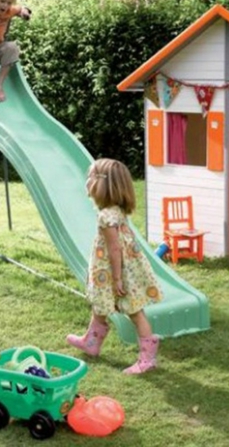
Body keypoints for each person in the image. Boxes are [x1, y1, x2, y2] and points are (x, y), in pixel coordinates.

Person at [67, 158, 163, 375]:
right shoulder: (115, 210)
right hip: (116, 270)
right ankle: (91, 343)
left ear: (102, 185)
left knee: (135, 312)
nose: (87, 181)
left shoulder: (106, 215)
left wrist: (118, 278)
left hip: (116, 272)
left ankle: (147, 359)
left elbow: (115, 249)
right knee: (100, 305)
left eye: (91, 177)